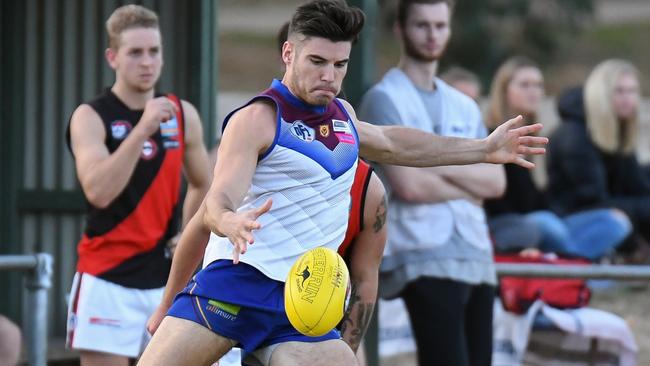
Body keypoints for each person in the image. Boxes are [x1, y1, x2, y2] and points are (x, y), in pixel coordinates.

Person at [139, 1, 546, 365]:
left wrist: (482, 148)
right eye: (317, 61)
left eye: (340, 65)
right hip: (235, 284)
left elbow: (394, 141)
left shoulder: (343, 116)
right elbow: (217, 200)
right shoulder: (258, 119)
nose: (329, 76)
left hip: (303, 302)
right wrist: (228, 222)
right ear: (288, 53)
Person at [359, 1, 505, 365]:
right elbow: (410, 186)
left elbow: (496, 181)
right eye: (422, 25)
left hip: (475, 252)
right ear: (401, 29)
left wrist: (432, 164)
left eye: (440, 25)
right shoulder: (384, 98)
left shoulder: (464, 105)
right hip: (421, 253)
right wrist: (466, 177)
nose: (432, 35)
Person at [65, 5, 211, 365]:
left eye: (154, 51)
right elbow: (97, 190)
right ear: (112, 57)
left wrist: (186, 232)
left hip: (167, 281)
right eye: (135, 52)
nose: (147, 62)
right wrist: (143, 128)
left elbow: (204, 183)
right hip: (106, 278)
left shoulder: (182, 114)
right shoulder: (90, 115)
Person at [484, 56, 630, 260]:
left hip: (545, 219)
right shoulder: (491, 135)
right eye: (525, 85)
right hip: (508, 224)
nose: (534, 91)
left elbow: (537, 199)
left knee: (615, 221)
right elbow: (500, 202)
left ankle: (562, 263)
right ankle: (576, 268)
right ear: (504, 90)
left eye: (538, 85)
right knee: (547, 223)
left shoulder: (532, 136)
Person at [547, 59, 649, 261]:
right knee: (615, 222)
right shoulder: (575, 135)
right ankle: (573, 268)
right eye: (619, 91)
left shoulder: (617, 130)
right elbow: (593, 199)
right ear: (601, 94)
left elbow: (637, 186)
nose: (628, 98)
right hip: (570, 222)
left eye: (632, 91)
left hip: (601, 212)